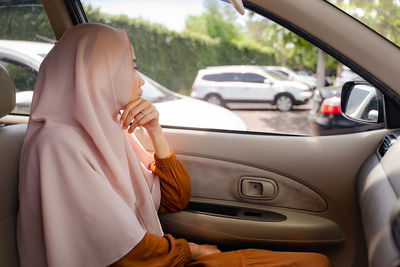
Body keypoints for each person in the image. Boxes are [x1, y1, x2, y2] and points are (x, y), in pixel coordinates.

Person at [17, 23, 331, 267]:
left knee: (317, 261)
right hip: (149, 261)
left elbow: (175, 198)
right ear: (99, 73)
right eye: (132, 67)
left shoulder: (110, 129)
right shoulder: (57, 145)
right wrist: (192, 250)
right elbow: (125, 254)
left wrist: (155, 131)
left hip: (158, 258)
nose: (140, 80)